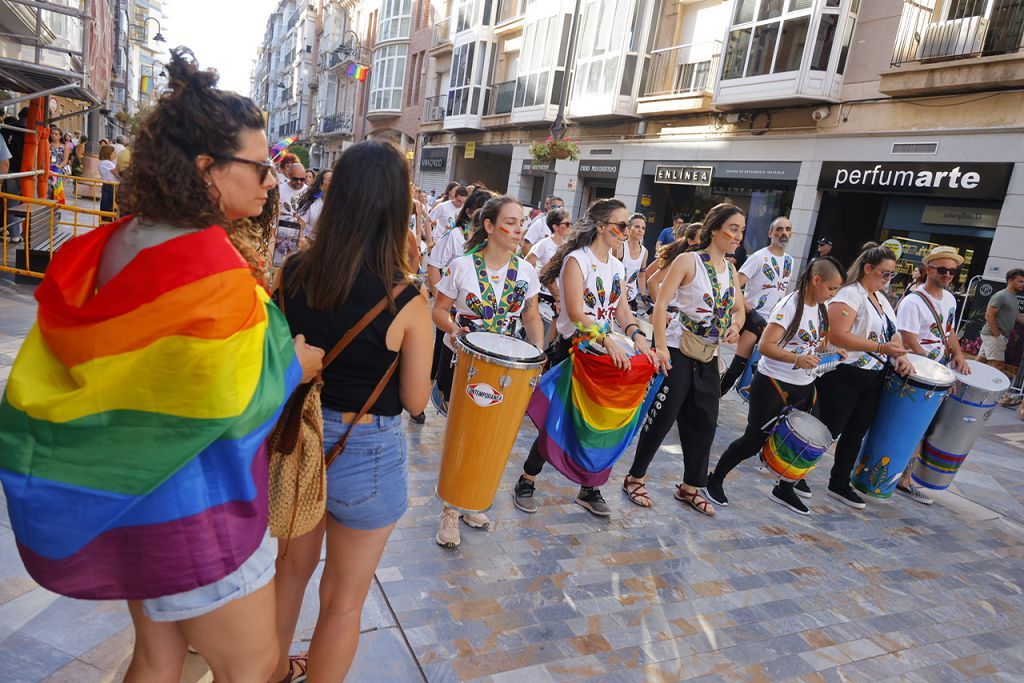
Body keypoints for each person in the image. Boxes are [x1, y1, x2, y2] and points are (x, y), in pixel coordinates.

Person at [0, 47, 324, 682]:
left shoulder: (109, 243)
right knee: (256, 665)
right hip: (191, 510)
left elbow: (133, 373)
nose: (271, 182)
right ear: (208, 169)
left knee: (158, 657)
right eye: (259, 167)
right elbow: (223, 398)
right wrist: (294, 365)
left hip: (135, 501)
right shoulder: (207, 268)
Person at [272, 140, 432, 683]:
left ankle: (269, 671)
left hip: (301, 435)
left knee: (289, 573)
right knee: (342, 601)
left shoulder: (293, 272)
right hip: (367, 448)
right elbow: (415, 401)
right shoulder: (405, 299)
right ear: (396, 207)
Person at [514, 199, 658, 517]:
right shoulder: (577, 261)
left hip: (605, 354)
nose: (625, 232)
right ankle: (527, 478)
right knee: (557, 421)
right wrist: (606, 339)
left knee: (600, 423)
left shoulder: (618, 267)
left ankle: (590, 488)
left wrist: (637, 337)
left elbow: (622, 310)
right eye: (621, 226)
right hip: (574, 350)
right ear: (601, 227)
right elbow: (576, 313)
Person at [433, 196, 545, 547]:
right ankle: (450, 511)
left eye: (521, 223)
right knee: (462, 436)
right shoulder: (463, 266)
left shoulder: (526, 271)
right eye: (511, 222)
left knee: (493, 436)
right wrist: (453, 330)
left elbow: (530, 315)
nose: (518, 230)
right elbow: (439, 311)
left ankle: (473, 499)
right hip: (465, 361)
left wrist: (537, 355)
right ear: (489, 226)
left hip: (507, 368)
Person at [623, 204, 746, 515]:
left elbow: (739, 310)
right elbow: (661, 303)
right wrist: (661, 347)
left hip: (708, 352)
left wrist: (735, 325)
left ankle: (690, 486)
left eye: (742, 230)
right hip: (678, 348)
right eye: (733, 228)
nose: (738, 236)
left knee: (704, 420)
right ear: (715, 228)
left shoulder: (730, 270)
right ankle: (635, 477)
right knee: (663, 416)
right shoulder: (689, 261)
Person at [703, 258, 846, 515]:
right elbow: (766, 347)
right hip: (773, 383)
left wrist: (833, 352)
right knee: (753, 440)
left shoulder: (821, 309)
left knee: (808, 440)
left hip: (805, 384)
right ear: (816, 281)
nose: (834, 294)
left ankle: (785, 487)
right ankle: (714, 479)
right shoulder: (790, 306)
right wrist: (796, 359)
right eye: (832, 288)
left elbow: (811, 342)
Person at [816, 244, 913, 509]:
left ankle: (839, 482)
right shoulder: (850, 294)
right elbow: (837, 335)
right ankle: (792, 475)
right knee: (828, 428)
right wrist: (882, 348)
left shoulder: (881, 299)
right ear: (868, 268)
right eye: (885, 273)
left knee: (855, 433)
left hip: (872, 375)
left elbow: (893, 332)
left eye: (892, 275)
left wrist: (899, 355)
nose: (888, 279)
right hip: (845, 372)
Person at [894, 245, 971, 505]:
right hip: (917, 374)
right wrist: (938, 374)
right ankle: (889, 472)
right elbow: (909, 340)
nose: (948, 275)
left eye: (952, 271)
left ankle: (905, 477)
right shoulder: (913, 302)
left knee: (925, 427)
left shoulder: (950, 300)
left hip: (936, 373)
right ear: (929, 269)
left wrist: (958, 354)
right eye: (942, 269)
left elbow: (948, 332)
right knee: (908, 424)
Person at [720, 216, 795, 395]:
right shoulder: (759, 257)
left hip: (773, 322)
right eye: (779, 229)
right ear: (770, 233)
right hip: (753, 318)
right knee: (738, 365)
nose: (783, 233)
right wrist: (749, 311)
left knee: (763, 367)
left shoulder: (790, 261)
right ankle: (712, 402)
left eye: (787, 229)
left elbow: (781, 291)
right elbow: (734, 284)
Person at [527, 207, 573, 343]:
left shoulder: (568, 246)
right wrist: (538, 278)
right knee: (540, 337)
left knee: (554, 339)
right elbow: (528, 263)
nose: (570, 226)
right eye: (567, 224)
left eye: (571, 223)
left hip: (562, 296)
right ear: (555, 226)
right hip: (544, 296)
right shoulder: (544, 244)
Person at [979, 268, 1024, 375]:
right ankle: (995, 391)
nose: (1023, 284)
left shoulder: (1012, 297)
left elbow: (1017, 316)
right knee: (998, 366)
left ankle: (962, 383)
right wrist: (997, 335)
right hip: (993, 336)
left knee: (980, 362)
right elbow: (989, 315)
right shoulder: (1001, 295)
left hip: (996, 336)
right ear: (1010, 281)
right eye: (1020, 281)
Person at [274, 162, 307, 266]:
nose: (298, 182)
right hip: (280, 238)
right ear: (289, 175)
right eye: (295, 179)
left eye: (302, 179)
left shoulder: (308, 192)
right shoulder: (280, 190)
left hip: (300, 239)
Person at [294, 168, 331, 242]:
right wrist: (304, 243)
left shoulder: (342, 204)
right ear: (321, 185)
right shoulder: (311, 203)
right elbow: (299, 227)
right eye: (330, 180)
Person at [622, 213, 649, 312]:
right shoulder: (620, 246)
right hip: (615, 297)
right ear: (629, 228)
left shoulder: (644, 252)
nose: (640, 230)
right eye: (637, 226)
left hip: (631, 299)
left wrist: (643, 295)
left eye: (643, 228)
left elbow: (641, 276)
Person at [98, 144, 119, 220]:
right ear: (108, 153)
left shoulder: (104, 162)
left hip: (108, 186)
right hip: (110, 186)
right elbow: (117, 174)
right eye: (114, 152)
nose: (115, 154)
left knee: (106, 206)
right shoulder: (107, 163)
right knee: (109, 208)